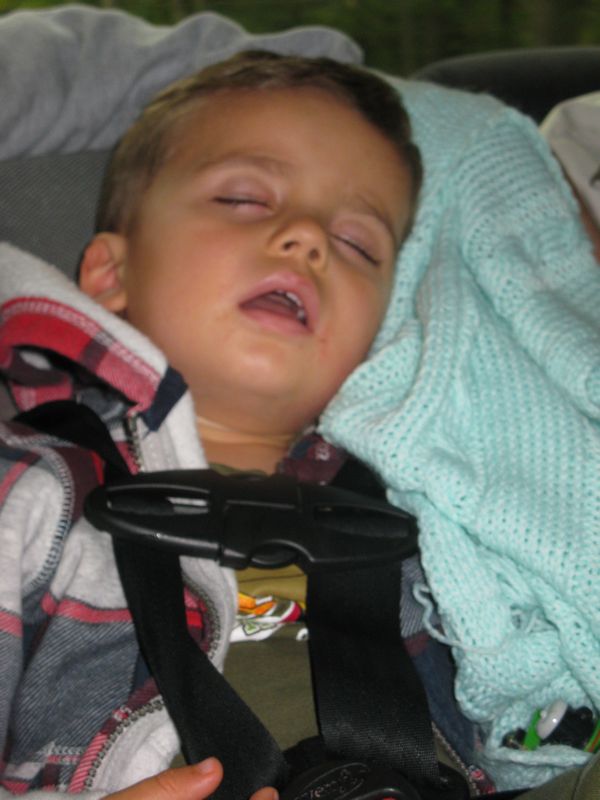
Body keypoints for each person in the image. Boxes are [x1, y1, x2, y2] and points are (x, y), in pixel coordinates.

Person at [0, 51, 421, 800]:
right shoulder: (30, 495)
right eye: (244, 199)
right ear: (111, 274)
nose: (308, 238)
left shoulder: (424, 528)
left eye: (358, 245)